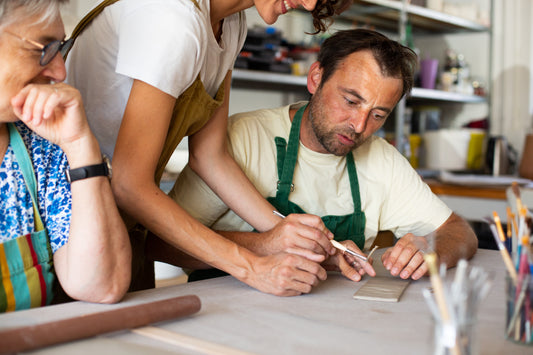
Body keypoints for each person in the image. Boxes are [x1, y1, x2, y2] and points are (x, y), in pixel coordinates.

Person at [65, 0, 351, 296]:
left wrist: (284, 230)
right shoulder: (173, 19)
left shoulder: (230, 24)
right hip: (70, 226)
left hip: (119, 222)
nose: (309, 3)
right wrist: (251, 267)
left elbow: (210, 156)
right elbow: (129, 185)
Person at [173, 29, 479, 282]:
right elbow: (161, 244)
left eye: (377, 115)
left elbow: (459, 232)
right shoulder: (243, 138)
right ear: (316, 78)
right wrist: (263, 245)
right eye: (350, 101)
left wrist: (430, 248)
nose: (359, 125)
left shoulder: (382, 160)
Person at [0, 0, 131, 312]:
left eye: (60, 48)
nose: (60, 71)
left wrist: (79, 143)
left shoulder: (40, 150)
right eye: (42, 48)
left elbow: (103, 286)